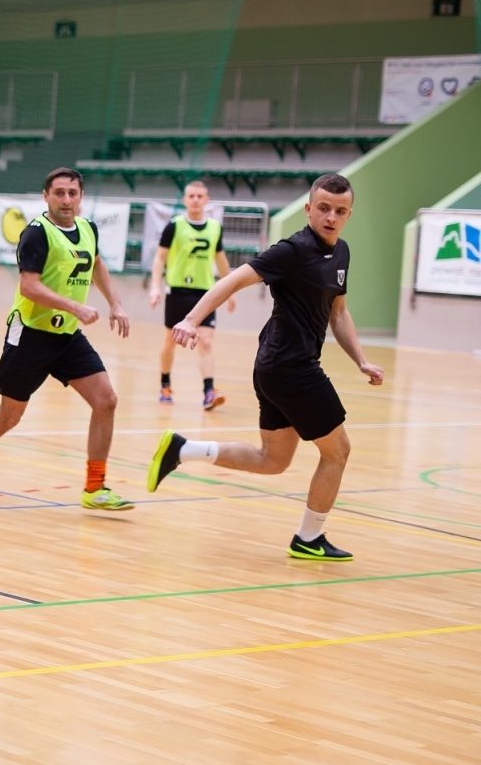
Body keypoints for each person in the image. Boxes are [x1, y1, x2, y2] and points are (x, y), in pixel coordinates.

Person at [148, 173, 384, 561]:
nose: (330, 217)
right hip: (291, 367)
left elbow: (338, 312)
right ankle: (308, 538)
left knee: (272, 460)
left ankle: (184, 449)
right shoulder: (291, 250)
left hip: (277, 366)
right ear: (309, 209)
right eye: (323, 208)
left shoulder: (341, 253)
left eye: (340, 211)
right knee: (338, 450)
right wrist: (191, 319)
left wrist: (360, 360)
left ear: (349, 215)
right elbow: (234, 280)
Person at [0, 167, 134, 510]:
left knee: (106, 400)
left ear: (81, 197)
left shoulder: (88, 228)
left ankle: (95, 488)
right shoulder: (36, 233)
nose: (66, 199)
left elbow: (96, 264)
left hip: (66, 337)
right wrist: (75, 306)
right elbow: (28, 286)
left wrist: (116, 304)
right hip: (30, 336)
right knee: (9, 417)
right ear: (45, 196)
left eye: (72, 193)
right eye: (59, 193)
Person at [149, 179, 235, 410]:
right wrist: (155, 287)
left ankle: (209, 391)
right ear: (185, 200)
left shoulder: (215, 227)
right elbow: (159, 258)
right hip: (177, 292)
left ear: (206, 200)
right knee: (171, 341)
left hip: (205, 294)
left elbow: (221, 259)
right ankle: (165, 384)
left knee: (206, 342)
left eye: (200, 196)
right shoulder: (175, 226)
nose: (196, 200)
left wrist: (230, 289)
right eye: (192, 196)